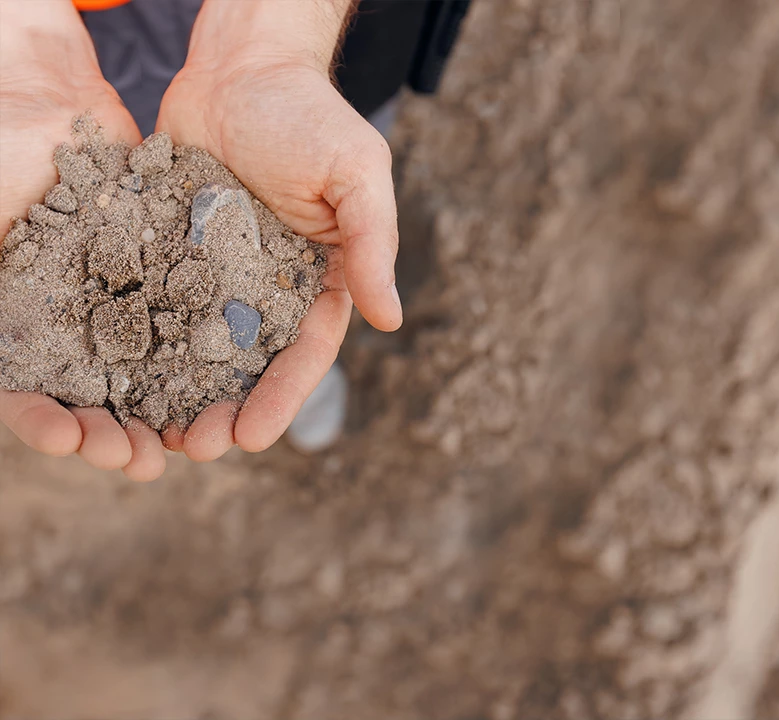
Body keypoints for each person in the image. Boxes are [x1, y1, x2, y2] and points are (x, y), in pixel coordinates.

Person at [0, 0, 468, 481]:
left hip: (297, 49)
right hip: (79, 40)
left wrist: (275, 43)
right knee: (126, 115)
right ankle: (263, 359)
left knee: (316, 180)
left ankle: (274, 358)